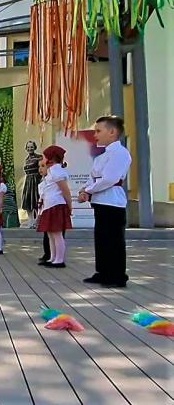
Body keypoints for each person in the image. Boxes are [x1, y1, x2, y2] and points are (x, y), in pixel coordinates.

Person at [79, 115, 132, 287]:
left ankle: (117, 276)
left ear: (112, 132)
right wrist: (85, 189)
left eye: (98, 131)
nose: (95, 135)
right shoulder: (102, 156)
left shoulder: (120, 153)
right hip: (101, 201)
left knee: (113, 240)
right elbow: (93, 177)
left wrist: (88, 190)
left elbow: (109, 179)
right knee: (102, 238)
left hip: (113, 202)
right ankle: (103, 272)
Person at [37, 147, 72, 268]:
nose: (43, 159)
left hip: (56, 205)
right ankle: (52, 257)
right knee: (50, 234)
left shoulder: (57, 172)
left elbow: (65, 191)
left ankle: (59, 260)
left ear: (51, 158)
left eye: (44, 156)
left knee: (57, 234)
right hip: (49, 205)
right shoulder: (51, 171)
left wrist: (69, 206)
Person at [21, 141, 43, 227]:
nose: (30, 148)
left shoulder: (39, 157)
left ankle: (38, 220)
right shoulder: (27, 159)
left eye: (31, 147)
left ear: (34, 147)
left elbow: (42, 168)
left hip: (36, 180)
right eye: (28, 147)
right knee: (27, 200)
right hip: (28, 181)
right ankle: (30, 220)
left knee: (36, 200)